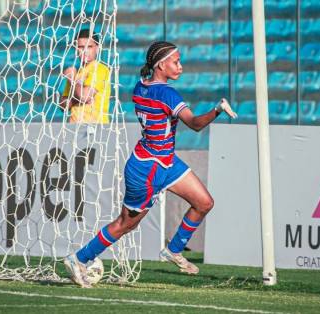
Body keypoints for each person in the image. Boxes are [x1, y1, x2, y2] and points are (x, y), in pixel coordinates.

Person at [64, 41, 237, 288]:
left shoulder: (140, 87)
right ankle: (79, 259)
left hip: (164, 161)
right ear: (160, 65)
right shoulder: (168, 94)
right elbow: (196, 124)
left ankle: (173, 250)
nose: (180, 66)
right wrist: (218, 109)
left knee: (204, 202)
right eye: (175, 62)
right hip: (148, 169)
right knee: (126, 224)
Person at [59, 29, 111, 123]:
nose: (85, 51)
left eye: (89, 47)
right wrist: (78, 97)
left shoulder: (101, 69)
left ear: (97, 48)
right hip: (74, 128)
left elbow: (84, 96)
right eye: (81, 47)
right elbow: (63, 106)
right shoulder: (76, 74)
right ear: (76, 48)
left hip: (96, 128)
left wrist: (73, 82)